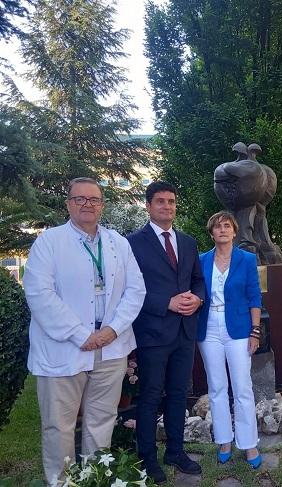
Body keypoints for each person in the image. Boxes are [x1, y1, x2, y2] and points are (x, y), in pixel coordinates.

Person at [23, 177, 146, 485]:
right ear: (68, 204)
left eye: (94, 200)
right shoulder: (49, 242)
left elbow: (136, 289)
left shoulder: (118, 242)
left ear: (102, 205)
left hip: (110, 346)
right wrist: (81, 335)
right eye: (80, 199)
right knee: (58, 426)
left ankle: (94, 478)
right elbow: (39, 293)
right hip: (64, 348)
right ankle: (61, 482)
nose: (87, 205)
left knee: (101, 421)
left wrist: (113, 330)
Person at [127, 181, 206, 483]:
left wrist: (197, 298)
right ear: (148, 206)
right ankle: (147, 460)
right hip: (153, 333)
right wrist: (167, 302)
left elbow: (198, 279)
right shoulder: (133, 243)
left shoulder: (187, 241)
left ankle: (176, 451)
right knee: (149, 397)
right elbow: (129, 289)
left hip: (185, 332)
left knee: (178, 394)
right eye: (160, 201)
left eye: (171, 201)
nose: (167, 206)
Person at [196, 211, 263, 468]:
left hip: (238, 329)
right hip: (208, 328)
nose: (222, 230)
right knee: (216, 387)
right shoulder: (201, 260)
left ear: (234, 231)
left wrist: (255, 331)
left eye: (227, 226)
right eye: (217, 226)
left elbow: (254, 296)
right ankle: (224, 440)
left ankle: (248, 444)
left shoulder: (246, 259)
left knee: (242, 387)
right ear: (211, 232)